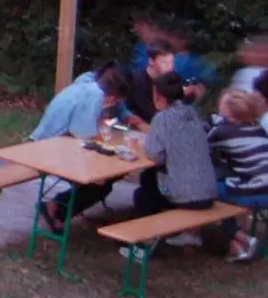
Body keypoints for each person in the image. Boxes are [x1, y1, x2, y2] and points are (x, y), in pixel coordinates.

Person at [33, 64, 134, 234]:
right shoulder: (95, 95)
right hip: (49, 147)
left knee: (108, 176)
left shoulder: (90, 83)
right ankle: (54, 209)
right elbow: (84, 136)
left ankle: (58, 207)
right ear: (112, 97)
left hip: (58, 142)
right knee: (99, 183)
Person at [208, 89, 268, 263]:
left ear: (229, 111)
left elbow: (200, 150)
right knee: (224, 185)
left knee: (207, 191)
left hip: (258, 191)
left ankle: (240, 237)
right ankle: (236, 245)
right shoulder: (257, 128)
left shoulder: (222, 132)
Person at [135, 71, 219, 221]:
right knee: (149, 179)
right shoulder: (193, 113)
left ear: (159, 97)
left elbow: (155, 155)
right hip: (209, 192)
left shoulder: (161, 118)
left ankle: (154, 232)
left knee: (143, 192)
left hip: (184, 196)